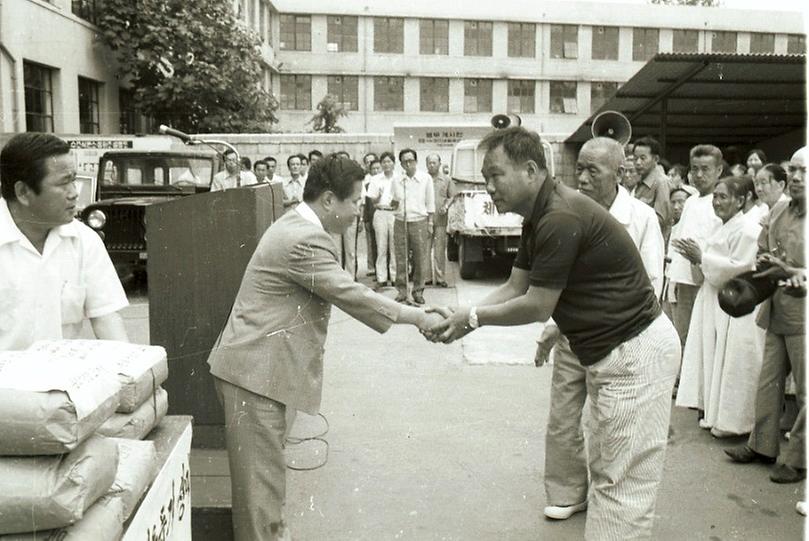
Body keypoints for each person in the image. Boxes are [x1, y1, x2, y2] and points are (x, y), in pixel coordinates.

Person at [426, 127, 680, 540]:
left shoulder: (559, 215)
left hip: (634, 353)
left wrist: (471, 320)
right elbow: (515, 286)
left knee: (621, 487)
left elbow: (537, 305)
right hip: (612, 352)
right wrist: (463, 313)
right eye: (485, 177)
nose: (488, 187)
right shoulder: (539, 215)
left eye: (496, 176)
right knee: (610, 476)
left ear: (531, 170)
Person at [207, 154, 443, 541]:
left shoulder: (296, 225)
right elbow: (352, 294)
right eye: (354, 201)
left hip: (258, 375)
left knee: (265, 492)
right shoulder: (305, 239)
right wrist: (418, 317)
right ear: (329, 200)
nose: (358, 210)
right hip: (255, 378)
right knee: (260, 503)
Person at [536, 137, 665, 524]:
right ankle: (566, 491)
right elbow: (554, 281)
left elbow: (650, 282)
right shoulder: (567, 213)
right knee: (562, 415)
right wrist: (551, 327)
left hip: (618, 342)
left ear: (620, 173)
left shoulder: (641, 218)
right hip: (572, 334)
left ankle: (609, 496)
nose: (585, 178)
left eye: (595, 170)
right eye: (581, 170)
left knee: (610, 423)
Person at [0, 132, 129, 351]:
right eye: (63, 183)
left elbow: (107, 320)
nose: (74, 193)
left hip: (63, 380)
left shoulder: (84, 241)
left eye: (74, 181)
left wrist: (135, 374)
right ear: (23, 192)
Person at [725, 146, 806, 484]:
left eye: (805, 172)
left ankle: (798, 458)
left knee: (805, 392)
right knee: (768, 382)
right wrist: (765, 264)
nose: (797, 178)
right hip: (777, 310)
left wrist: (789, 269)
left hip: (803, 315)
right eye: (794, 171)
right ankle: (762, 446)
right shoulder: (780, 211)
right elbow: (762, 249)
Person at [674, 176, 763, 437]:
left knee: (732, 361)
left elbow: (740, 268)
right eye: (715, 196)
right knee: (714, 356)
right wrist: (697, 259)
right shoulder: (721, 227)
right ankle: (712, 412)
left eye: (724, 197)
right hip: (713, 299)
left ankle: (735, 422)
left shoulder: (747, 230)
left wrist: (702, 257)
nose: (717, 202)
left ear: (741, 200)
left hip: (735, 305)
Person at [666, 144, 723, 347]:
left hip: (703, 280)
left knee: (702, 340)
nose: (699, 175)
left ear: (719, 171)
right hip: (681, 279)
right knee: (682, 336)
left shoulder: (718, 203)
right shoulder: (690, 202)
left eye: (705, 169)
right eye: (694, 169)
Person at [391, 148, 435, 305]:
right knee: (401, 257)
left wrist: (430, 222)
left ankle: (418, 291)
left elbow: (430, 202)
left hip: (419, 221)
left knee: (420, 258)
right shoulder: (397, 180)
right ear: (401, 163)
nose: (408, 164)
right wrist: (393, 203)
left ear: (416, 161)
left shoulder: (425, 178)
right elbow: (393, 201)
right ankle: (402, 291)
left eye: (411, 161)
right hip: (401, 220)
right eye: (404, 161)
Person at [632, 136, 673, 240]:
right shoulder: (638, 183)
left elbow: (661, 220)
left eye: (643, 158)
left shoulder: (661, 183)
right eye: (635, 158)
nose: (638, 163)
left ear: (656, 159)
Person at [368, 152, 398, 289]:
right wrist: (378, 197)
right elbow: (372, 200)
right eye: (384, 162)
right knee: (381, 246)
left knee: (394, 246)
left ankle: (395, 276)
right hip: (380, 212)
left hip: (395, 213)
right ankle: (382, 278)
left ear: (393, 163)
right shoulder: (375, 179)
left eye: (389, 161)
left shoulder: (398, 178)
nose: (386, 164)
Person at [426, 153, 451, 288]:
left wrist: (446, 205)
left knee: (440, 250)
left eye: (434, 162)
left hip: (440, 220)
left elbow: (452, 195)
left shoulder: (446, 180)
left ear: (439, 164)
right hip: (424, 220)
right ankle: (427, 278)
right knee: (425, 249)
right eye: (429, 162)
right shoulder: (423, 179)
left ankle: (440, 278)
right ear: (426, 164)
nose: (432, 165)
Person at [361, 153, 379, 277]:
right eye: (368, 163)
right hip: (371, 217)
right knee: (372, 243)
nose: (376, 170)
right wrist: (365, 219)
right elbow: (366, 203)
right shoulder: (366, 183)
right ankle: (373, 267)